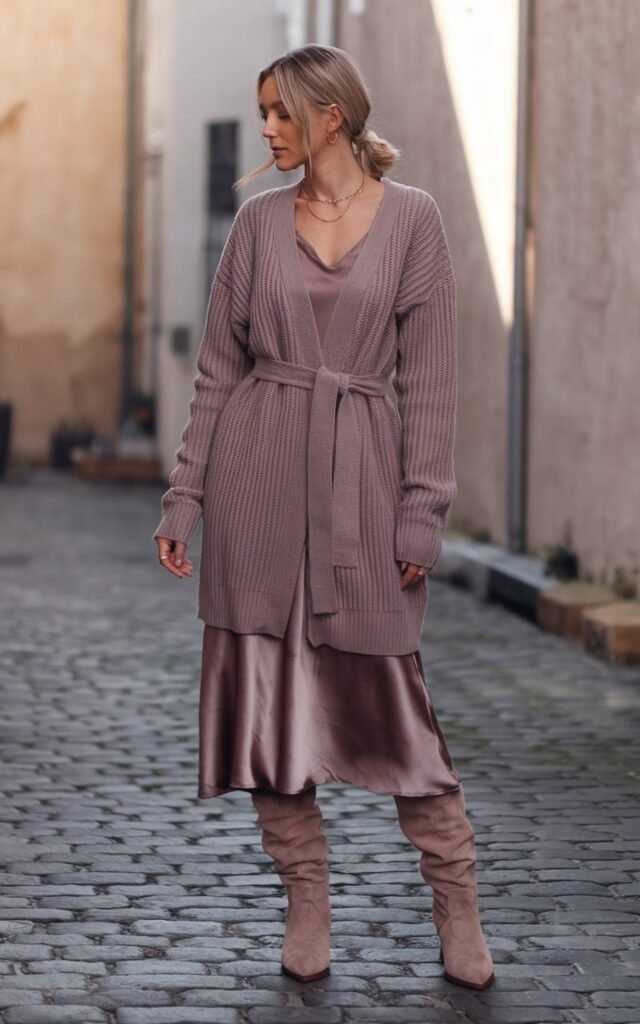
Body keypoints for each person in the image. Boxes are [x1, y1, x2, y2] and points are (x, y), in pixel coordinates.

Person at [153, 44, 494, 991]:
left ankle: (455, 901)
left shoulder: (415, 221)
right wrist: (186, 494)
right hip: (256, 497)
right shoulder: (257, 226)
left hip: (362, 495)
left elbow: (429, 383)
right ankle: (306, 897)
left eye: (278, 111)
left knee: (399, 716)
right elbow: (218, 371)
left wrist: (422, 513)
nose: (266, 128)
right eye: (261, 111)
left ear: (328, 114)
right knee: (270, 721)